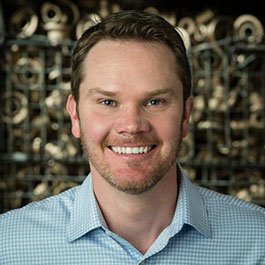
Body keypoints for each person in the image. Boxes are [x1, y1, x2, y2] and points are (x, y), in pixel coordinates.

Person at [1, 10, 265, 265]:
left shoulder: (258, 243)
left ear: (186, 115)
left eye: (154, 101)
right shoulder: (9, 246)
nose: (131, 125)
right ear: (75, 116)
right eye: (107, 101)